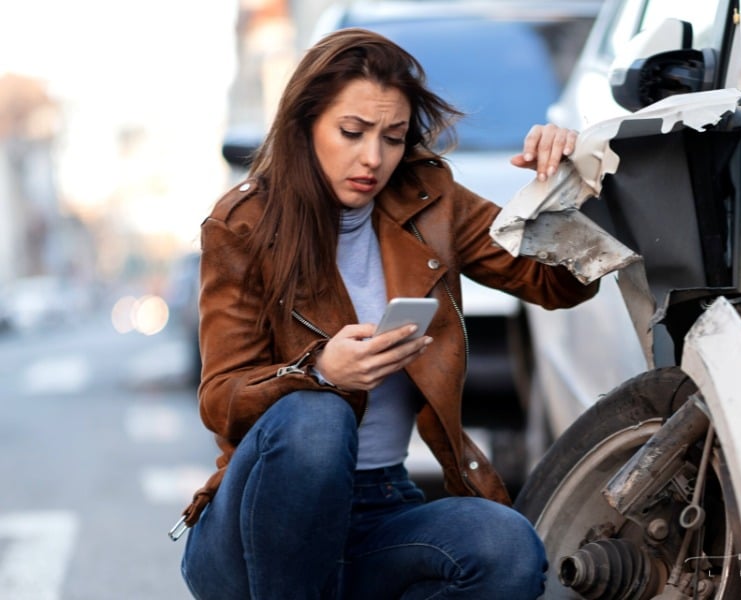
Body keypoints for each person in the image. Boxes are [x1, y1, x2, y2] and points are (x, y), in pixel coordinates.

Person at [176, 27, 598, 599]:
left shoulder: (429, 200)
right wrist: (322, 371)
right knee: (317, 419)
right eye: (352, 132)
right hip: (255, 531)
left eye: (393, 137)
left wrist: (566, 185)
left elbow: (556, 284)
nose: (372, 158)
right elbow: (220, 397)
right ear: (305, 127)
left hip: (380, 509)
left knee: (505, 548)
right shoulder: (244, 224)